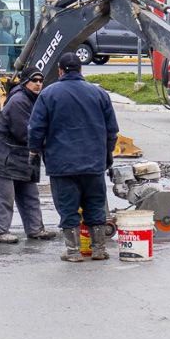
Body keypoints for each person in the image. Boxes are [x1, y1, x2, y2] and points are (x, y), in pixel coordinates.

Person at [27, 52, 119, 262]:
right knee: (95, 204)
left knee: (68, 207)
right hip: (93, 164)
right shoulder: (99, 94)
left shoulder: (49, 94)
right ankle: (98, 249)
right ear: (80, 70)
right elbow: (112, 130)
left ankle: (73, 252)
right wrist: (107, 155)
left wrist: (33, 153)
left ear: (60, 71)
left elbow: (36, 129)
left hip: (62, 164)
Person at [0, 68, 57, 244]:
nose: (39, 84)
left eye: (41, 81)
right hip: (6, 157)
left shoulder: (34, 99)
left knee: (30, 195)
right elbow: (25, 133)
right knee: (4, 197)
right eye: (35, 81)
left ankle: (35, 229)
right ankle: (0, 231)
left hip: (24, 156)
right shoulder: (19, 101)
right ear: (25, 82)